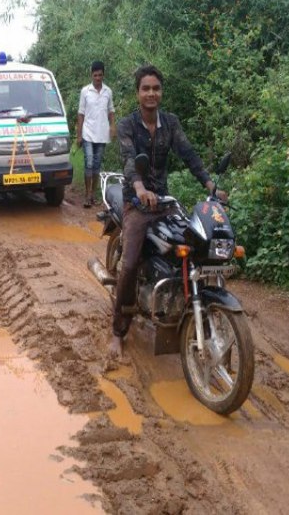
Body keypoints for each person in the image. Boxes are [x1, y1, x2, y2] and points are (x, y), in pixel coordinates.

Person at [109, 65, 227, 360]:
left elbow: (189, 155)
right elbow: (127, 160)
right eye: (146, 88)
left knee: (191, 246)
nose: (151, 93)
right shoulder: (127, 125)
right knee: (131, 262)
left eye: (156, 88)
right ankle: (117, 331)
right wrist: (138, 189)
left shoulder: (170, 123)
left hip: (164, 201)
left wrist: (211, 185)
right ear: (137, 93)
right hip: (136, 204)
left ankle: (185, 305)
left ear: (161, 92)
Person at [76, 61, 115, 208]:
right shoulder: (85, 91)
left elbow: (111, 110)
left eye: (100, 75)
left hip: (102, 133)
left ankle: (93, 195)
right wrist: (79, 135)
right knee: (89, 162)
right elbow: (80, 114)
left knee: (97, 166)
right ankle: (87, 195)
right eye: (95, 75)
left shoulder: (108, 92)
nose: (98, 78)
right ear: (91, 75)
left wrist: (113, 126)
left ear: (103, 75)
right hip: (87, 133)